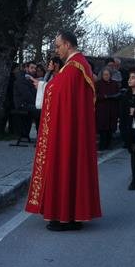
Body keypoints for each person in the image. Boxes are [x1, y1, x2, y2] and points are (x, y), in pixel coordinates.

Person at [25, 31, 101, 231]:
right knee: (71, 167)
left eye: (58, 46)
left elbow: (57, 91)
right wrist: (46, 85)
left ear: (67, 44)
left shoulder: (75, 66)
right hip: (73, 127)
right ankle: (72, 215)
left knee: (64, 164)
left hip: (68, 131)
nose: (56, 50)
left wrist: (42, 86)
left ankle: (64, 216)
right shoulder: (76, 65)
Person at [95, 67, 120, 150]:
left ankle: (108, 145)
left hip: (112, 108)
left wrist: (114, 96)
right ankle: (102, 145)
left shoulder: (114, 83)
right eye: (104, 75)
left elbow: (118, 93)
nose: (106, 76)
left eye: (107, 74)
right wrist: (104, 97)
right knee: (102, 129)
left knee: (110, 128)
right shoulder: (98, 84)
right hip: (102, 109)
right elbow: (95, 95)